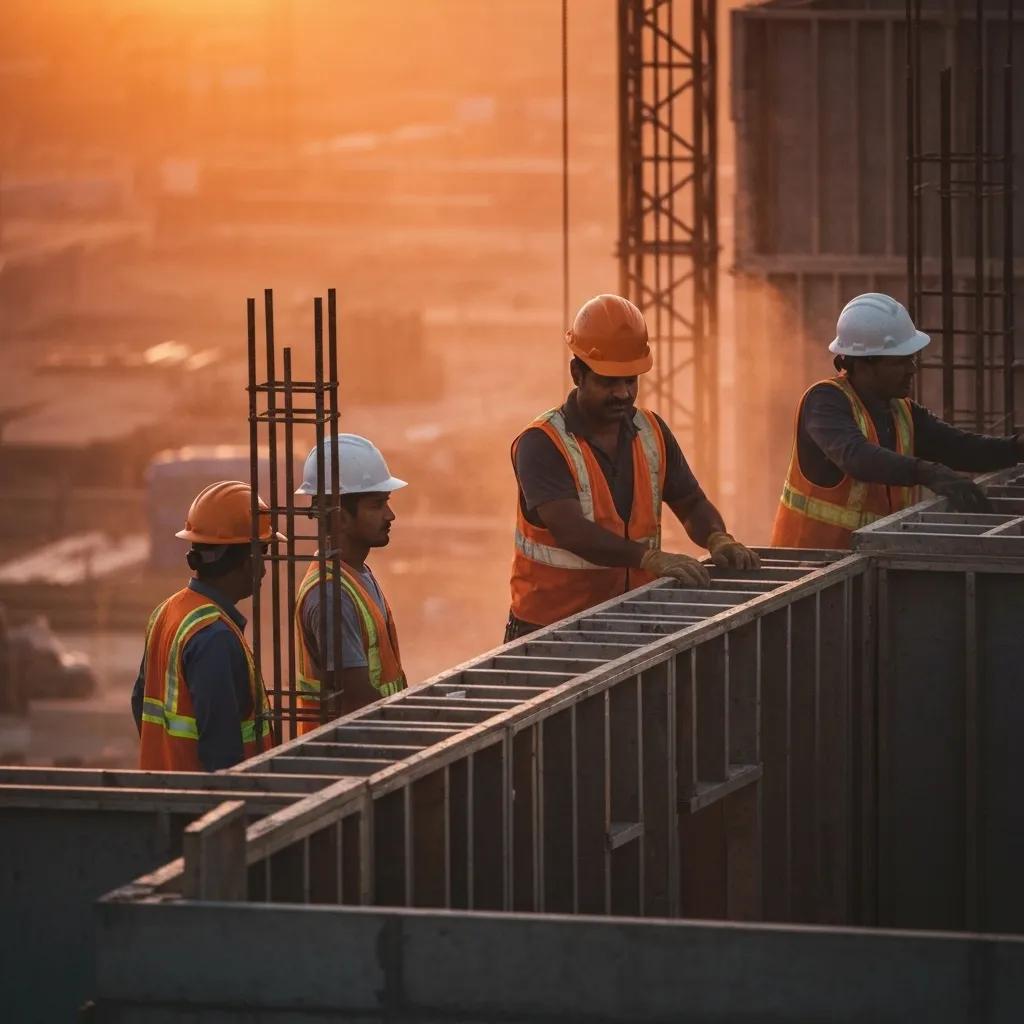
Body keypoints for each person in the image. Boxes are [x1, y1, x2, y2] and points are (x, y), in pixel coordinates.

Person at [506, 294, 759, 639]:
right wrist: (649, 558)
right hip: (549, 632)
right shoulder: (543, 443)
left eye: (631, 380)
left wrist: (716, 536)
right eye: (609, 382)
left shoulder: (651, 431)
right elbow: (571, 532)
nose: (623, 394)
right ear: (578, 373)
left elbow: (690, 502)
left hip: (627, 621)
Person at [772, 293, 1022, 549]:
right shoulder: (824, 401)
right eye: (900, 361)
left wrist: (1016, 448)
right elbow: (856, 456)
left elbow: (959, 447)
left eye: (911, 358)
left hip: (869, 559)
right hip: (809, 564)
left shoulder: (901, 411)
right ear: (864, 364)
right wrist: (928, 472)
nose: (912, 369)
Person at [132, 480, 278, 771]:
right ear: (248, 560)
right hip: (206, 797)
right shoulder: (215, 636)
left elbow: (140, 702)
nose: (264, 569)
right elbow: (222, 755)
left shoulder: (167, 611)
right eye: (262, 554)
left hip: (163, 793)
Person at [294, 434, 408, 732]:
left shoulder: (356, 576)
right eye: (377, 505)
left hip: (369, 747)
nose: (390, 515)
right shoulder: (331, 595)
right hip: (345, 751)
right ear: (339, 518)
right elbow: (359, 701)